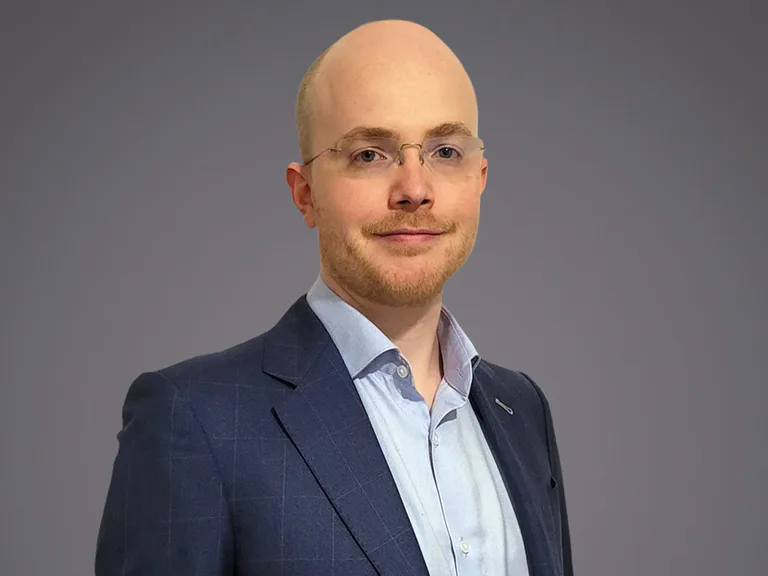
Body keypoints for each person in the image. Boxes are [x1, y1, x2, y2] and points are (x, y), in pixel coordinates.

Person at [95, 19, 573, 576]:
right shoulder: (193, 420)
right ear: (306, 194)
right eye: (370, 154)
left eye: (445, 151)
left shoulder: (522, 411)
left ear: (481, 178)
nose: (415, 189)